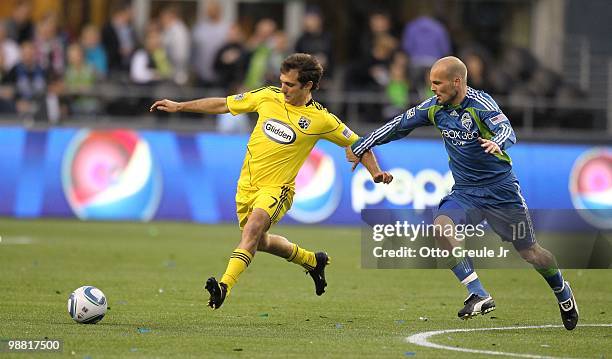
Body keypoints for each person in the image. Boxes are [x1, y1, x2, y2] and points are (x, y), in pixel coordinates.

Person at [346, 56, 579, 330]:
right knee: (442, 228)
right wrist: (364, 143)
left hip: (501, 192)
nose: (432, 89)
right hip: (466, 193)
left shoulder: (481, 105)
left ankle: (563, 292)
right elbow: (399, 125)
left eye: (437, 83)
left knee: (531, 253)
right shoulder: (434, 108)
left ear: (456, 82)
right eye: (430, 83)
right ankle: (478, 293)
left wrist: (497, 143)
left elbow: (507, 129)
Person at [151, 53, 393, 309]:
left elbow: (359, 144)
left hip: (278, 189)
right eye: (282, 82)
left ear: (307, 85)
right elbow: (223, 104)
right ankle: (312, 261)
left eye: (289, 84)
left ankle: (224, 287)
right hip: (246, 186)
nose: (283, 88)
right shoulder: (267, 96)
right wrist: (180, 106)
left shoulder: (322, 119)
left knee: (253, 229)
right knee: (258, 240)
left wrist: (375, 171)